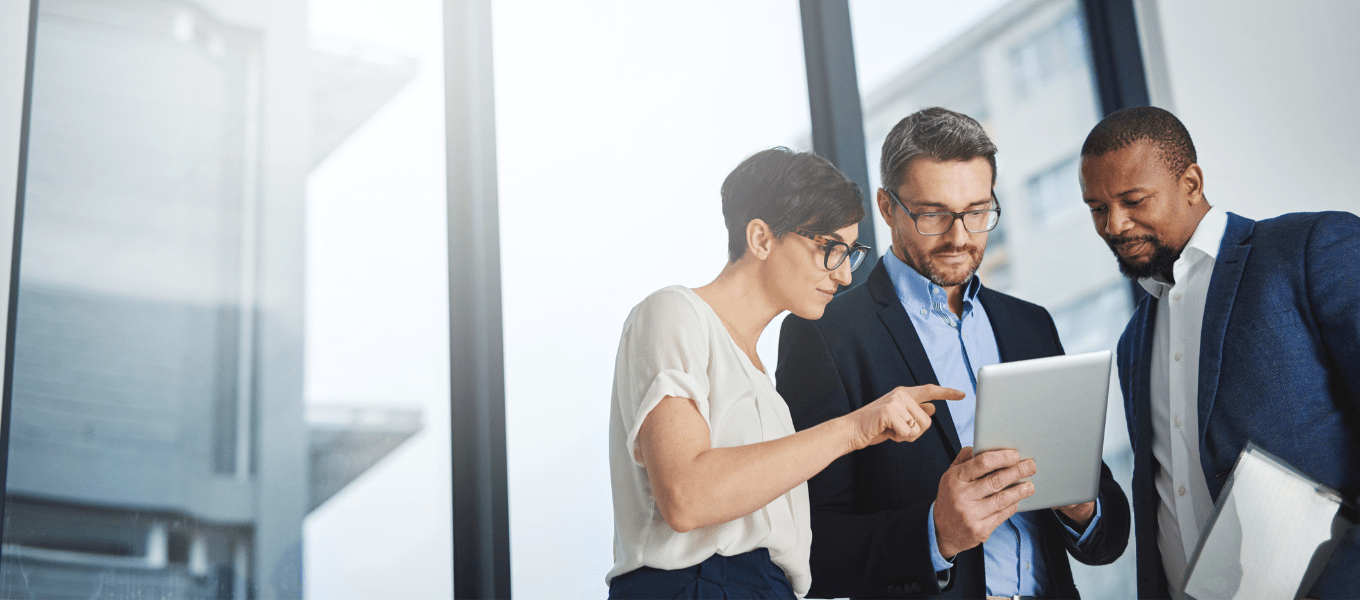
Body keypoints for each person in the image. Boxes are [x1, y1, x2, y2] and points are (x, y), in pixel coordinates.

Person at [777, 107, 1130, 598]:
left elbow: (1107, 538)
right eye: (933, 215)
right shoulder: (826, 335)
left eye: (978, 211)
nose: (960, 236)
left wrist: (1080, 507)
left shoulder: (1030, 326)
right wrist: (934, 532)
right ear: (887, 207)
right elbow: (805, 546)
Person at [607, 147, 965, 599]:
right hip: (697, 586)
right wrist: (854, 429)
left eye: (850, 254)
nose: (844, 277)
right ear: (760, 238)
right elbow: (686, 495)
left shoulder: (765, 386)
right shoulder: (675, 312)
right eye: (831, 249)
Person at [1078, 105, 1360, 599]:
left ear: (1190, 182)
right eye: (1098, 208)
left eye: (1133, 200)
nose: (1114, 225)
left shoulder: (1309, 249)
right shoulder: (1132, 343)